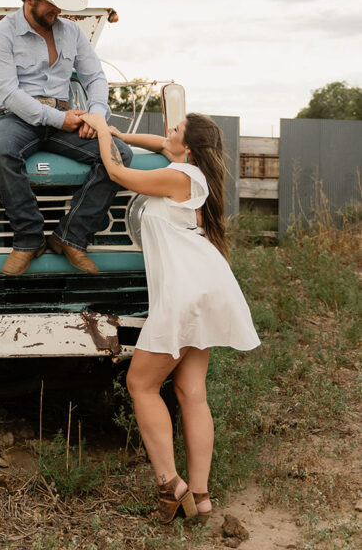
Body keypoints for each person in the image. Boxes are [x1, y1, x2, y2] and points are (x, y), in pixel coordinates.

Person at [80, 110, 260, 524]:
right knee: (191, 391)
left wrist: (101, 129)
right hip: (205, 285)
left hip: (185, 293)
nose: (167, 133)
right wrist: (121, 131)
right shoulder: (190, 172)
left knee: (141, 383)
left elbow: (119, 172)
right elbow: (156, 144)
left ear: (191, 148)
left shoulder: (178, 178)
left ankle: (169, 483)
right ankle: (200, 495)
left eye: (176, 130)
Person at [0, 0, 132, 276]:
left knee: (119, 154)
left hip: (68, 115)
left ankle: (71, 236)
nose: (58, 11)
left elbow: (95, 78)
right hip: (19, 118)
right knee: (1, 151)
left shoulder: (73, 33)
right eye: (51, 3)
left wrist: (96, 116)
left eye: (60, 3)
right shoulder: (1, 35)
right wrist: (57, 119)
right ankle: (28, 240)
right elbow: (9, 93)